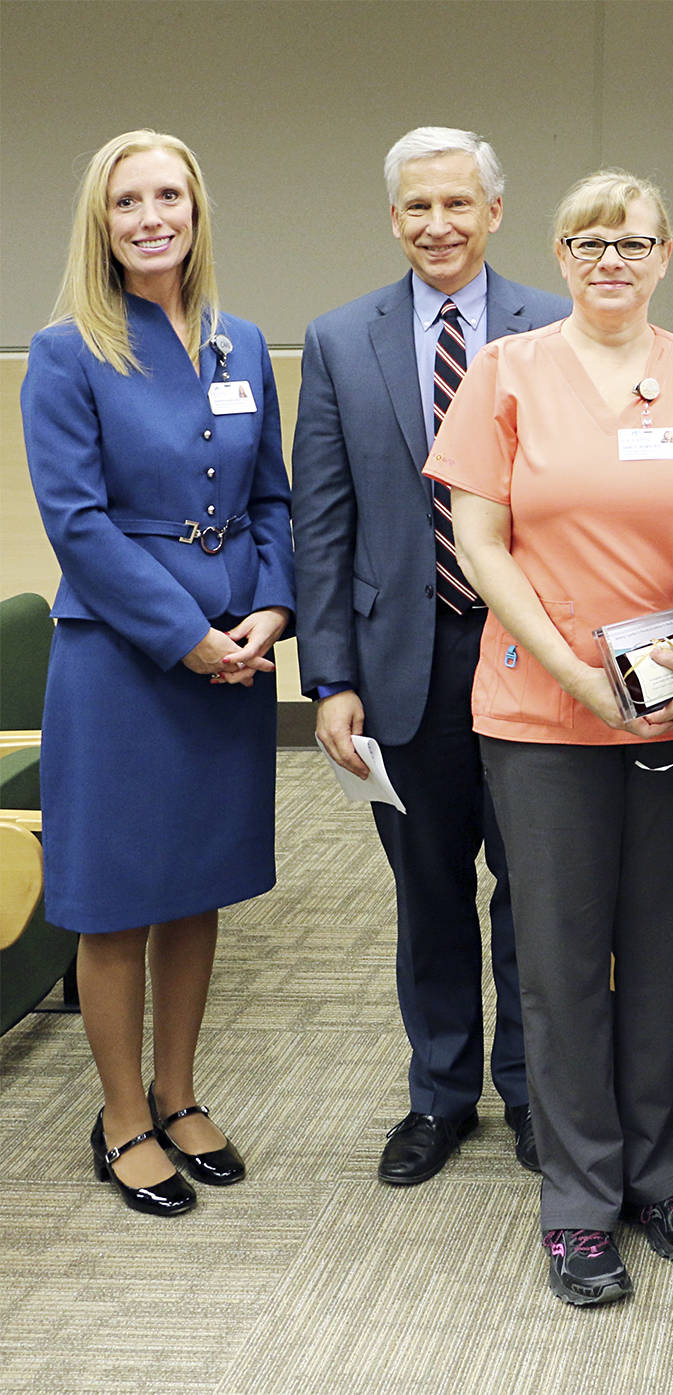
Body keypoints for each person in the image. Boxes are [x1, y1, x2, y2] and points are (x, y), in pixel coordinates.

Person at [426, 168, 673, 1308]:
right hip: (541, 712)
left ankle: (655, 1168)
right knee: (560, 965)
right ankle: (576, 1195)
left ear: (668, 256)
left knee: (662, 953)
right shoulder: (507, 371)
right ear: (559, 257)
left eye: (634, 240)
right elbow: (481, 541)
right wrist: (575, 674)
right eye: (589, 240)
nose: (612, 258)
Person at [21, 130, 294, 1215]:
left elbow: (271, 498)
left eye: (168, 195)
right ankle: (123, 1114)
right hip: (126, 661)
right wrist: (187, 635)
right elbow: (77, 527)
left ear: (195, 209)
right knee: (118, 902)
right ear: (102, 219)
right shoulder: (68, 350)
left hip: (238, 648)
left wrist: (273, 607)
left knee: (198, 886)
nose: (150, 216)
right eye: (128, 199)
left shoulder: (241, 341)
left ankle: (180, 1096)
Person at [292, 127, 565, 1187]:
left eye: (458, 204)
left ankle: (537, 1091)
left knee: (536, 888)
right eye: (417, 208)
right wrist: (332, 678)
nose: (438, 226)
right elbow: (322, 520)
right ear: (392, 217)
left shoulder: (556, 323)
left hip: (530, 657)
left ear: (496, 212)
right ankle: (440, 1096)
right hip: (401, 664)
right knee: (430, 892)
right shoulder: (335, 339)